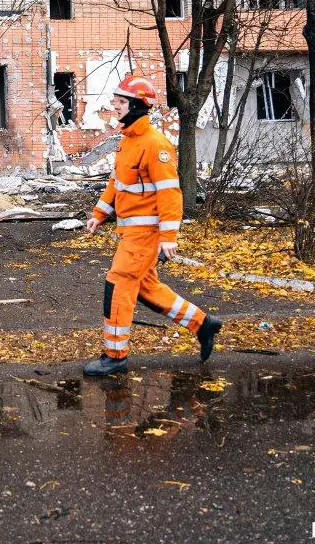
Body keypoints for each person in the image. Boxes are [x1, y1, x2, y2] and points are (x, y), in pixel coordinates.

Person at [83, 74, 222, 377]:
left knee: (119, 284)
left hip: (146, 235)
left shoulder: (155, 145)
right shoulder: (128, 142)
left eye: (120, 103)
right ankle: (203, 324)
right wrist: (99, 213)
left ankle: (115, 356)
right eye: (115, 101)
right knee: (146, 288)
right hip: (131, 233)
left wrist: (169, 236)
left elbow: (170, 192)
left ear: (136, 106)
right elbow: (117, 183)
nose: (115, 107)